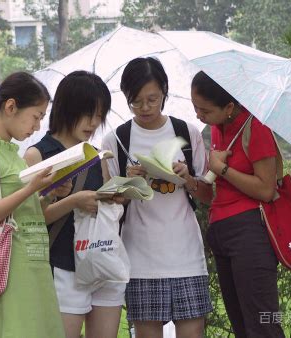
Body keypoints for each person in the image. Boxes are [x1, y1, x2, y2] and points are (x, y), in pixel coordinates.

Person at [101, 57, 213, 338]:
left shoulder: (187, 133)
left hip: (186, 255)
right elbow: (109, 204)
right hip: (140, 259)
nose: (145, 108)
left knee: (193, 332)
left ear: (164, 91)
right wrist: (130, 183)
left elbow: (209, 195)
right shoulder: (116, 140)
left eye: (152, 99)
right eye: (136, 101)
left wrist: (187, 178)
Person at [0, 72, 65, 337]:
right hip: (10, 272)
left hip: (35, 267)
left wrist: (49, 193)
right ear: (10, 107)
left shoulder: (14, 154)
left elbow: (26, 215)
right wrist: (32, 187)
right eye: (36, 116)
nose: (38, 127)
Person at [24, 71, 125, 338]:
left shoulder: (97, 155)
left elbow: (98, 205)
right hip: (62, 265)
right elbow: (34, 220)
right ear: (68, 108)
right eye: (88, 113)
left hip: (101, 260)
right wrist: (73, 200)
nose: (94, 123)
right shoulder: (38, 155)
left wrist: (114, 196)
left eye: (100, 115)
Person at [190, 71, 285, 337]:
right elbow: (214, 191)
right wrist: (188, 179)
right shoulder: (218, 128)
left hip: (249, 231)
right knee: (242, 326)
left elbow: (266, 189)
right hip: (221, 231)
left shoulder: (256, 128)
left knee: (261, 326)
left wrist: (222, 170)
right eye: (195, 107)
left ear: (229, 107)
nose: (199, 116)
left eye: (205, 110)